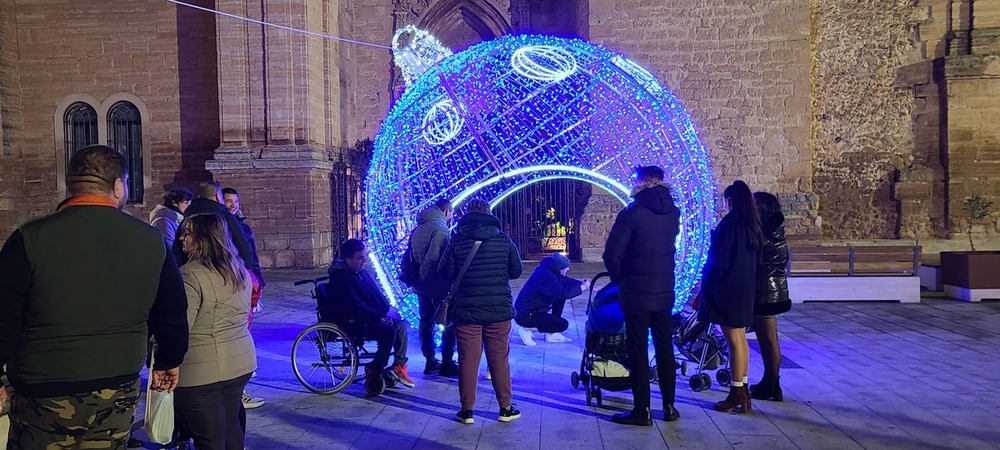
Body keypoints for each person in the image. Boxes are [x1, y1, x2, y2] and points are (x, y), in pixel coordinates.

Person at [0, 145, 189, 448]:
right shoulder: (150, 240)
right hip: (116, 385)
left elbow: (4, 316)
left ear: (70, 183)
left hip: (44, 390)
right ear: (117, 186)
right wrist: (169, 361)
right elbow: (172, 312)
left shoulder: (29, 237)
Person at [603, 165, 681, 426]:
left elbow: (612, 254)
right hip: (664, 291)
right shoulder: (673, 212)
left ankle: (642, 410)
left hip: (636, 292)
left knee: (637, 349)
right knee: (664, 347)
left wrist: (620, 278)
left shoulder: (632, 213)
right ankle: (669, 407)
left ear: (642, 182)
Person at [174, 213, 257, 450]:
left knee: (209, 436)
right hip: (239, 363)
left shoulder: (191, 274)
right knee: (230, 426)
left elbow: (182, 327)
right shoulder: (238, 269)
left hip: (203, 370)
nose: (182, 238)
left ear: (203, 238)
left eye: (188, 232)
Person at [438, 199, 523, 425]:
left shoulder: (456, 241)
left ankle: (467, 411)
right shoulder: (503, 240)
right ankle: (505, 407)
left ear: (466, 215)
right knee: (499, 360)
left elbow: (444, 271)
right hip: (499, 310)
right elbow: (516, 271)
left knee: (468, 360)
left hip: (467, 311)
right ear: (489, 214)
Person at [699, 180, 763, 414]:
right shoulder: (752, 226)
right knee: (741, 341)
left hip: (728, 290)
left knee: (733, 341)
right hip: (745, 289)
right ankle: (743, 390)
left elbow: (720, 262)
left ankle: (736, 392)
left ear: (729, 201)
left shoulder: (729, 227)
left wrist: (706, 279)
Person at [326, 239, 416, 392]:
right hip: (352, 319)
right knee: (389, 331)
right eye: (359, 258)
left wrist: (382, 313)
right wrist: (378, 318)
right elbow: (354, 305)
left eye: (364, 257)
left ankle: (398, 366)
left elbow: (375, 295)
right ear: (348, 260)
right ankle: (375, 367)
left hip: (367, 316)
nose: (363, 261)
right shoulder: (342, 278)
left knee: (400, 326)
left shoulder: (360, 273)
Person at [220, 187, 267, 409]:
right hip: (234, 284)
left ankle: (241, 382)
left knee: (244, 331)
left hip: (248, 283)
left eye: (236, 201)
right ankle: (237, 389)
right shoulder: (223, 228)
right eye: (228, 201)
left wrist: (259, 281)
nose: (233, 205)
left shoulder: (243, 227)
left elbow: (252, 256)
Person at [407, 199, 458, 376]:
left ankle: (430, 360)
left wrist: (418, 281)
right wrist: (423, 279)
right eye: (451, 213)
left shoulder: (419, 227)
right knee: (448, 321)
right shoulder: (440, 229)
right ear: (446, 212)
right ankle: (447, 361)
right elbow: (434, 258)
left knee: (426, 322)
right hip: (436, 285)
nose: (452, 217)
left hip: (420, 286)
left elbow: (411, 256)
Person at [750, 191, 791, 402]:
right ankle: (770, 381)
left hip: (766, 292)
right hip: (773, 290)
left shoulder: (765, 234)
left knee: (768, 339)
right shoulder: (775, 231)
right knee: (768, 339)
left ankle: (773, 384)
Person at [172, 181, 252, 270]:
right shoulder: (226, 217)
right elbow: (242, 248)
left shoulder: (187, 218)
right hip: (223, 271)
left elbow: (177, 251)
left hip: (191, 270)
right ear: (218, 196)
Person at [514, 252, 589, 345]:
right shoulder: (546, 276)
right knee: (562, 324)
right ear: (559, 268)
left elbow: (566, 281)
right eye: (566, 267)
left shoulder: (551, 272)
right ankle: (526, 330)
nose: (568, 269)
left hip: (534, 310)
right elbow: (563, 293)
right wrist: (582, 288)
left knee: (559, 298)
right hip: (525, 315)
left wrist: (584, 285)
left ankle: (552, 334)